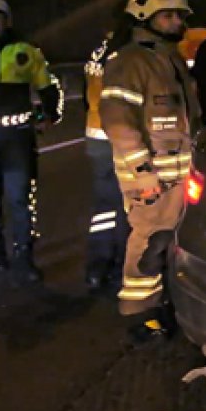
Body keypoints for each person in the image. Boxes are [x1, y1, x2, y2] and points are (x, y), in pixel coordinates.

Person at [101, 0, 200, 322]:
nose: (177, 22)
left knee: (168, 241)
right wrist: (142, 173)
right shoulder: (131, 62)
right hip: (152, 177)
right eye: (168, 15)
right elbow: (117, 121)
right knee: (149, 241)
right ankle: (138, 311)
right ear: (144, 17)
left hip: (177, 175)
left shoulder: (169, 59)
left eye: (178, 15)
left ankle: (163, 301)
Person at [0, 0, 63, 282]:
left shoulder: (27, 51)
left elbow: (48, 87)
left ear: (7, 21)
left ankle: (24, 257)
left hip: (17, 139)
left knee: (20, 200)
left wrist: (50, 114)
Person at [83, 24, 130, 291]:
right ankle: (120, 268)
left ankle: (96, 267)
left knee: (103, 208)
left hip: (96, 136)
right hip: (121, 137)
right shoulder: (129, 54)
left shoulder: (98, 52)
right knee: (127, 207)